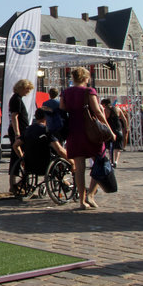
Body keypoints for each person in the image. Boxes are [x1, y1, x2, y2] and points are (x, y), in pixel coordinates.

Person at [60, 67, 115, 210]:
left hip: (74, 131)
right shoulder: (89, 91)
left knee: (79, 168)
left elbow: (62, 110)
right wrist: (109, 129)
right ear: (85, 78)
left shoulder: (65, 92)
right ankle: (90, 194)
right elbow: (97, 111)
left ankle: (81, 201)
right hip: (91, 132)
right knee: (100, 162)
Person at [12, 107, 69, 175]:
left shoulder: (28, 130)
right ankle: (64, 181)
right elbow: (60, 150)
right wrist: (72, 161)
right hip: (45, 165)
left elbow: (15, 145)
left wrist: (22, 158)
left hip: (30, 165)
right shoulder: (47, 131)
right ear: (46, 117)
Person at [8, 79, 34, 175]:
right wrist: (17, 133)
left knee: (17, 154)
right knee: (17, 154)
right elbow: (14, 117)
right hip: (19, 131)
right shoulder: (16, 99)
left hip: (21, 129)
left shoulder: (17, 98)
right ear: (21, 88)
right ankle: (15, 175)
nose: (28, 91)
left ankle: (16, 174)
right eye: (27, 89)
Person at [101, 98, 128, 168]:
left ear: (104, 104)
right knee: (118, 148)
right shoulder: (118, 109)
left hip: (110, 131)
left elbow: (103, 120)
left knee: (110, 147)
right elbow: (124, 119)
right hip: (118, 130)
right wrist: (126, 128)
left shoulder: (105, 110)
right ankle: (116, 161)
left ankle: (111, 161)